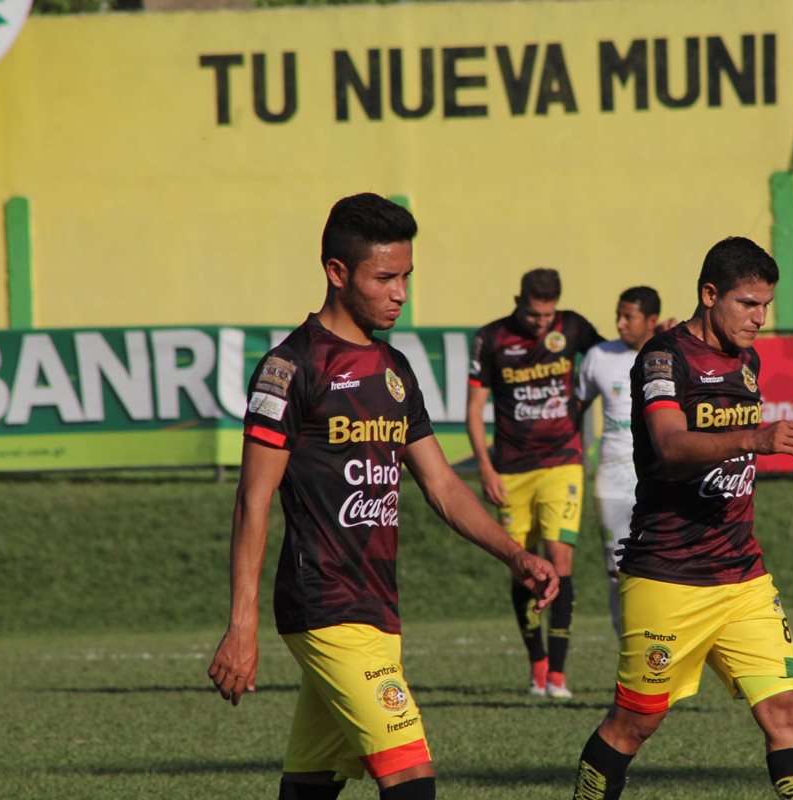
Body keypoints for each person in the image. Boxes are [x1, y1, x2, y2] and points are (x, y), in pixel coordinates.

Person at [207, 193, 559, 800]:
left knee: (312, 783)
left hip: (376, 609)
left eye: (407, 278)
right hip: (325, 605)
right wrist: (242, 624)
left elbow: (443, 485)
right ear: (337, 273)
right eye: (385, 278)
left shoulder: (395, 367)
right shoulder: (289, 369)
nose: (400, 293)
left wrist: (514, 554)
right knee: (411, 777)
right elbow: (252, 500)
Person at [571, 237, 793, 800]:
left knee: (788, 711)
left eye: (766, 305)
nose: (760, 318)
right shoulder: (664, 357)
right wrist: (756, 437)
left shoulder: (748, 358)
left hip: (743, 576)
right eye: (747, 303)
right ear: (709, 294)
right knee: (634, 723)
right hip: (669, 574)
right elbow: (669, 444)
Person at [466, 269, 604, 698]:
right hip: (510, 469)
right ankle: (537, 662)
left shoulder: (574, 326)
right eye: (534, 314)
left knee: (560, 560)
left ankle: (559, 674)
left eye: (548, 315)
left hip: (563, 461)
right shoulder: (491, 339)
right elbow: (474, 409)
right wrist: (486, 469)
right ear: (518, 301)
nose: (542, 323)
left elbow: (612, 358)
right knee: (523, 567)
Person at [574, 286, 661, 636]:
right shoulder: (598, 356)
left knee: (658, 565)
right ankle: (627, 643)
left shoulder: (668, 352)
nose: (620, 323)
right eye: (619, 315)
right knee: (617, 569)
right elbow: (575, 409)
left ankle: (658, 638)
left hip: (656, 478)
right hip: (611, 480)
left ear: (651, 321)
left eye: (630, 317)